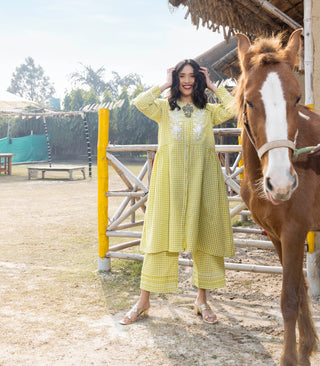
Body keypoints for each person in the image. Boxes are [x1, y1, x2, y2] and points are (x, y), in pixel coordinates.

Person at [120, 59, 235, 325]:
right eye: (181, 76)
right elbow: (140, 102)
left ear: (198, 80)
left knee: (204, 236)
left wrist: (212, 86)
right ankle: (143, 300)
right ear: (175, 79)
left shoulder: (208, 110)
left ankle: (202, 300)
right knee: (159, 234)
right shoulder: (162, 108)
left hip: (203, 180)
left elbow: (232, 107)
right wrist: (164, 81)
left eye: (192, 76)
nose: (186, 80)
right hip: (168, 183)